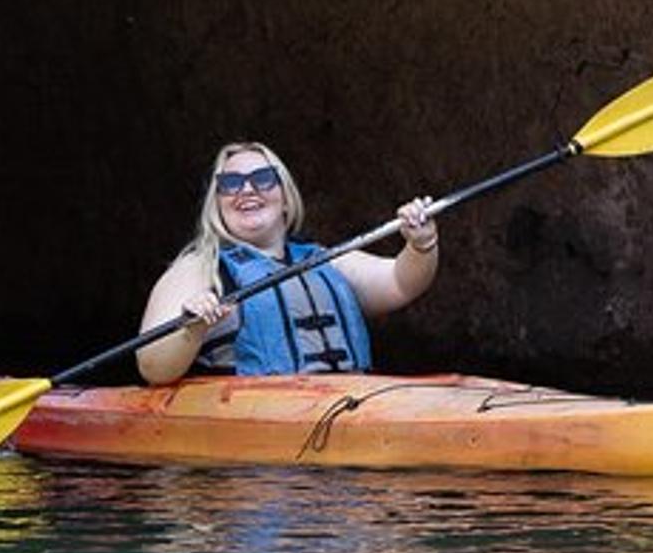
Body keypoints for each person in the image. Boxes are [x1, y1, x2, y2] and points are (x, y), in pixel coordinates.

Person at [136, 141, 440, 384]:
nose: (247, 189)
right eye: (230, 183)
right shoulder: (199, 269)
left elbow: (402, 282)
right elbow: (152, 367)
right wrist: (192, 329)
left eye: (263, 179)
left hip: (348, 404)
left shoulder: (323, 260)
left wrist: (421, 243)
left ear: (285, 197)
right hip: (255, 428)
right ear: (217, 202)